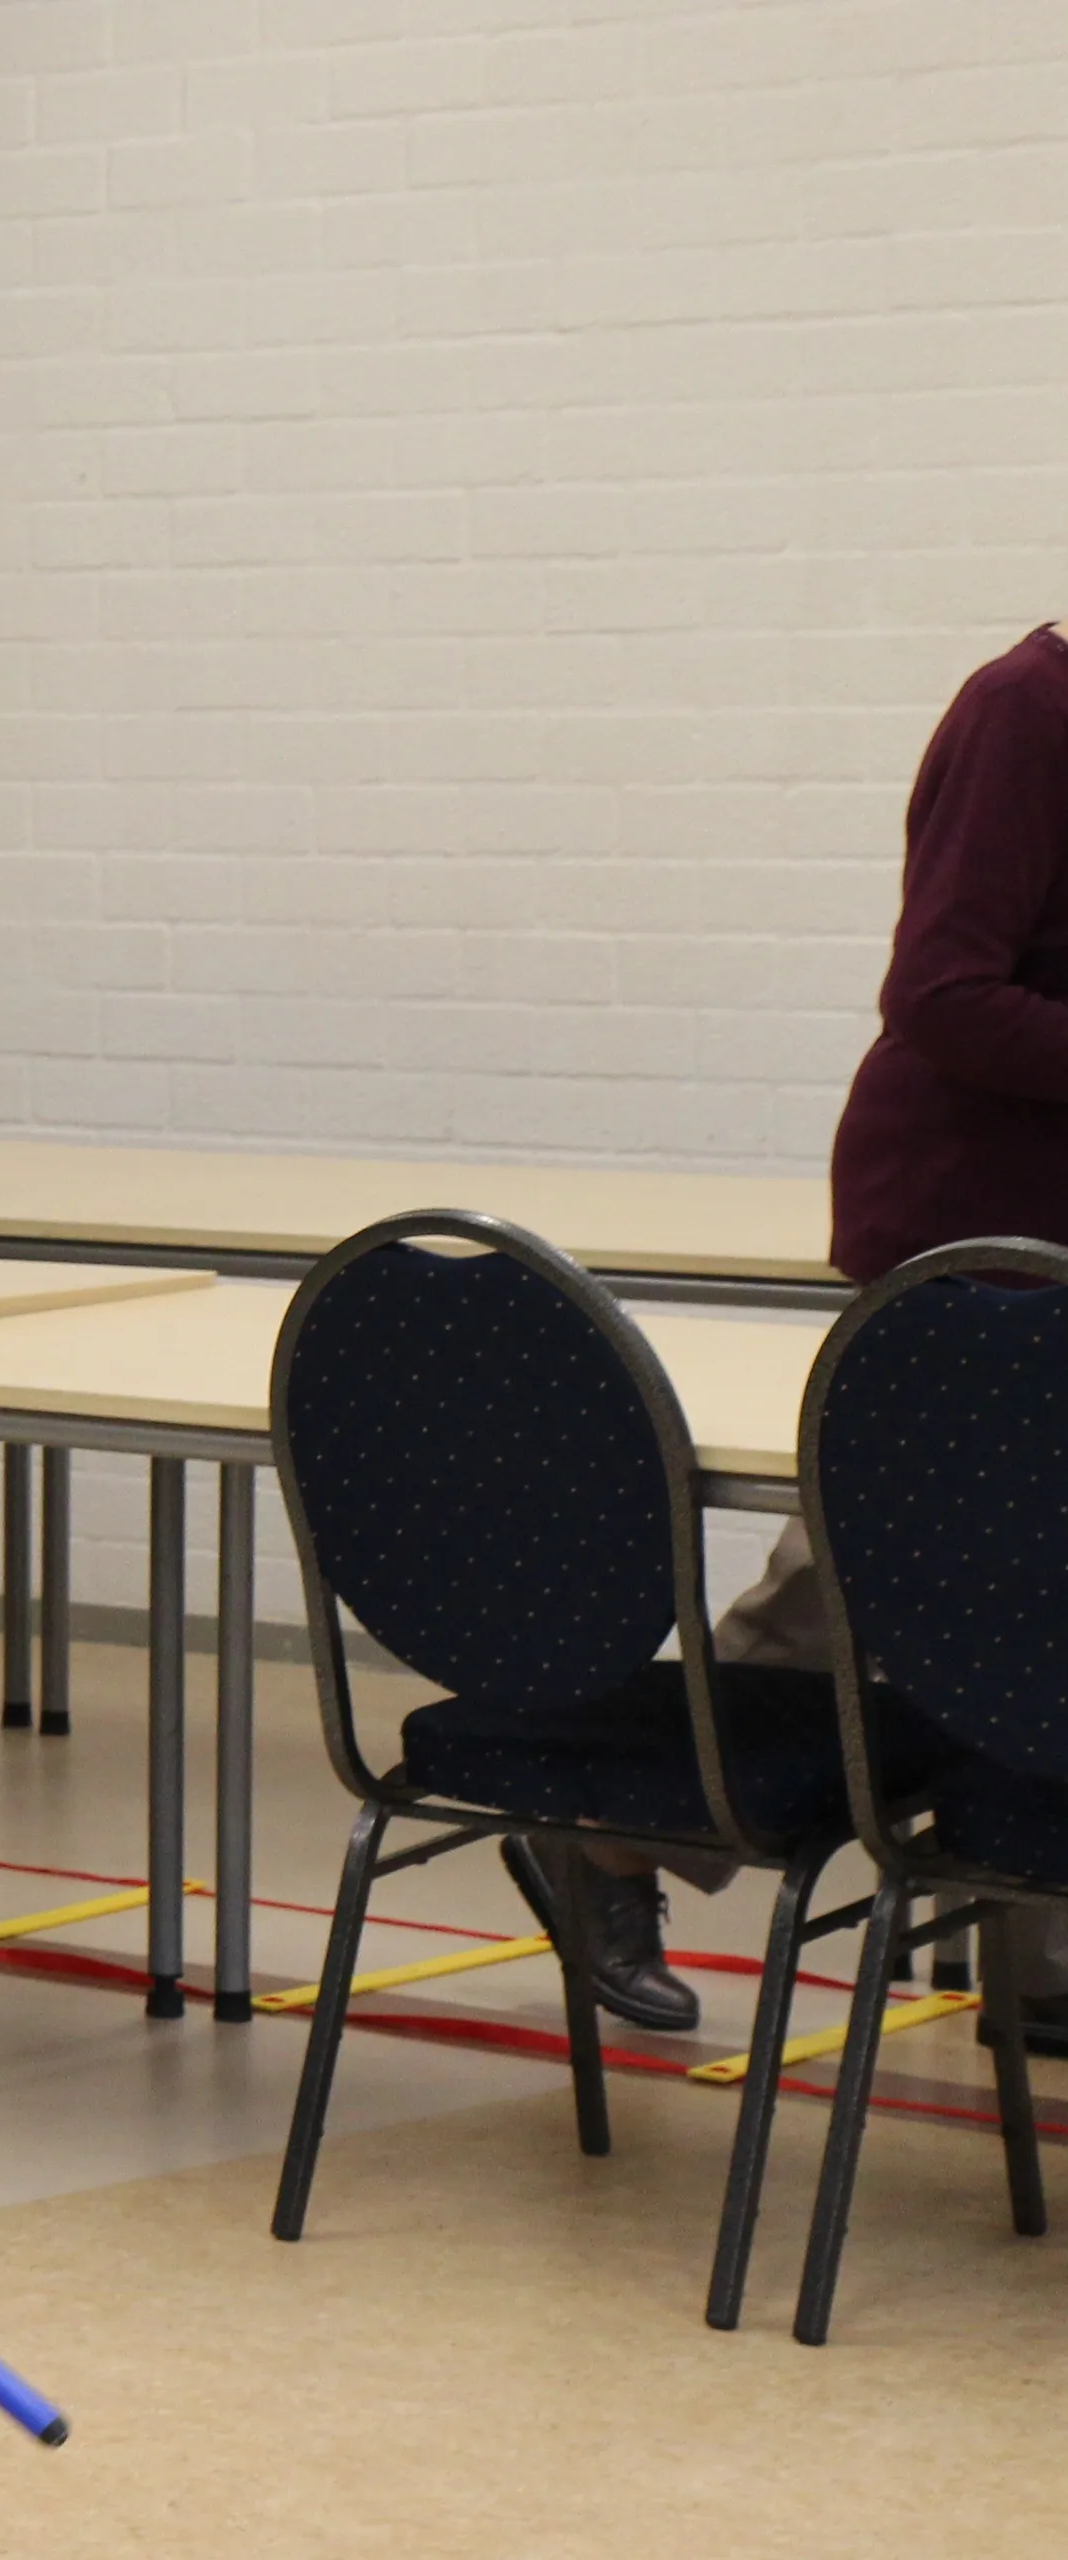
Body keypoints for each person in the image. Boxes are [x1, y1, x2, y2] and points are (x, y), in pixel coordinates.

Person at [631, 620, 1068, 2050]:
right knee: (847, 1587)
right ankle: (607, 1832)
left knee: (997, 1601)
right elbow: (939, 996)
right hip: (969, 1232)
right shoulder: (1025, 709)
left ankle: (1030, 1951)